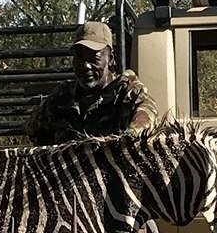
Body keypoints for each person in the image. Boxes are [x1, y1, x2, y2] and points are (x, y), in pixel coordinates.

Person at [22, 21, 157, 145]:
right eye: (79, 58)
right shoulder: (62, 96)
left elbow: (146, 115)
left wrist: (128, 137)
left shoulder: (127, 91)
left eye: (94, 58)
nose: (85, 66)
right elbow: (33, 130)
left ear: (110, 59)